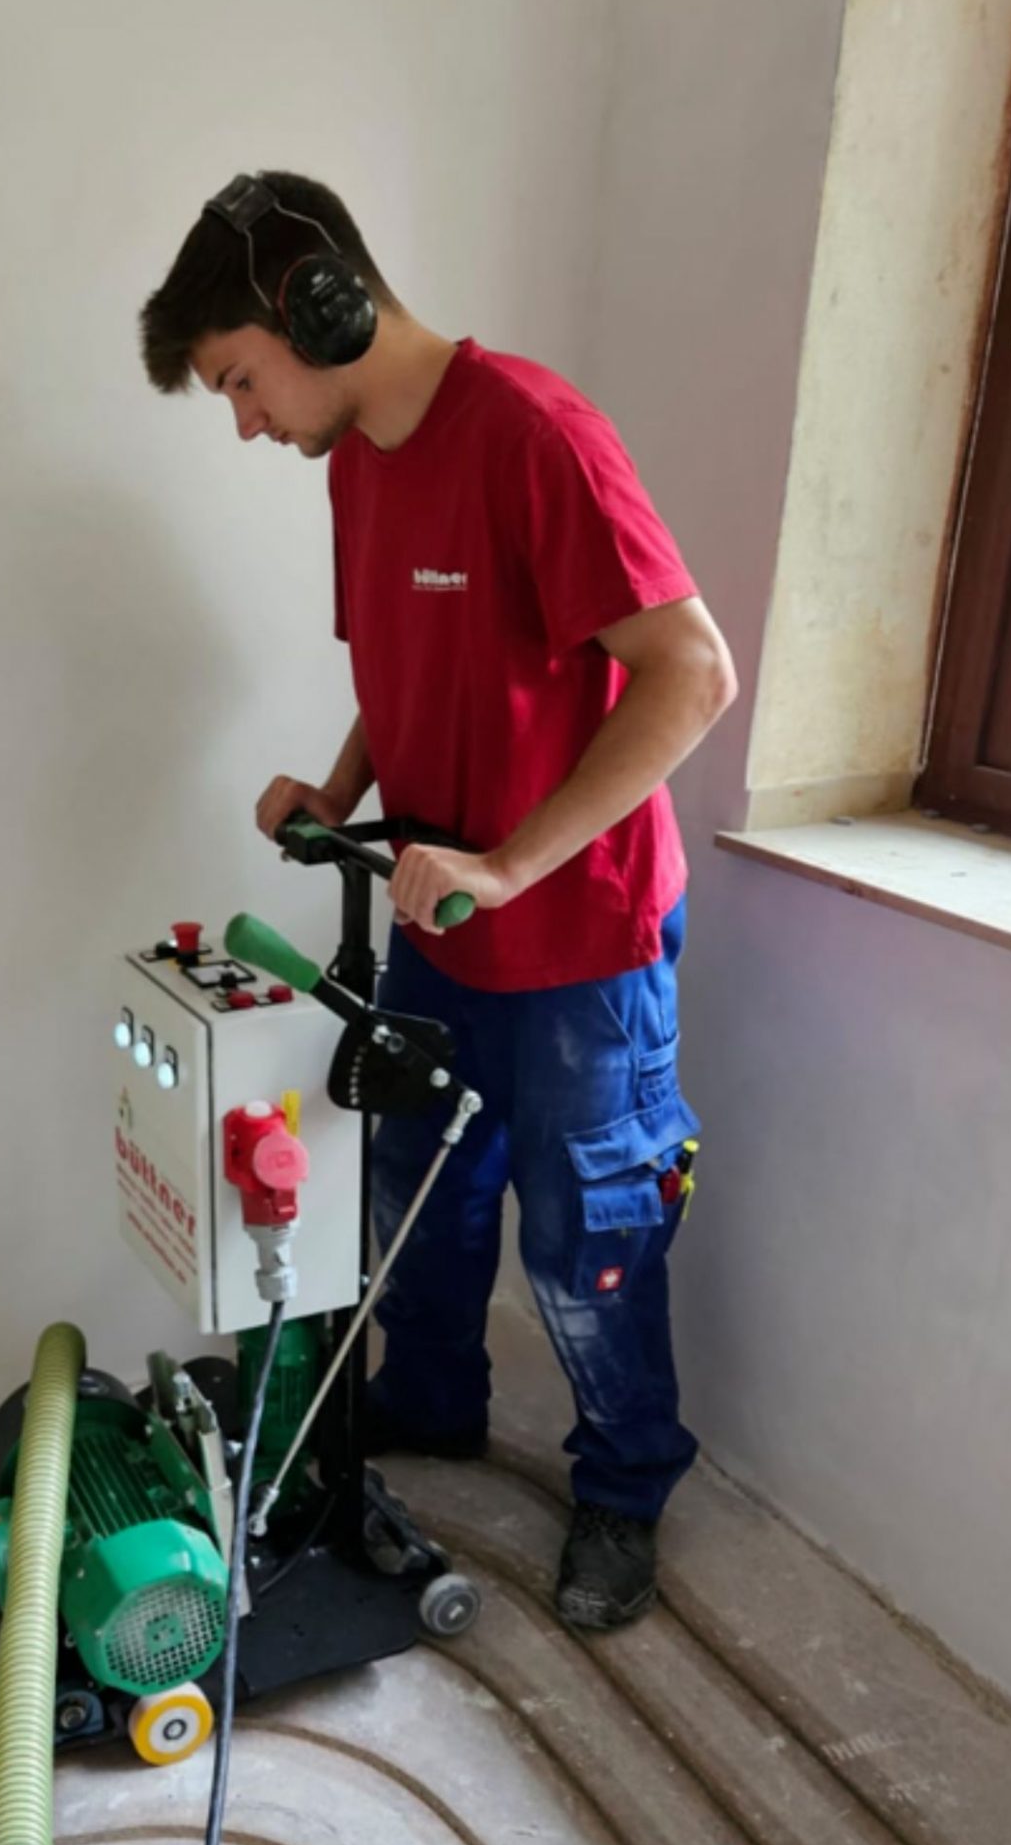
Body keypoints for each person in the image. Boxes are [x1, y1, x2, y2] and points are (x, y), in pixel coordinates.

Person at [139, 170, 737, 1631]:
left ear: (317, 307)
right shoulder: (356, 465)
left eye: (241, 380)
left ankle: (623, 1487)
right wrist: (339, 789)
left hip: (581, 934)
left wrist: (510, 863)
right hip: (441, 917)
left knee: (588, 1238)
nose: (246, 422)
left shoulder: (535, 435)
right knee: (419, 1185)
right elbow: (407, 667)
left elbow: (692, 673)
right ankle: (432, 1402)